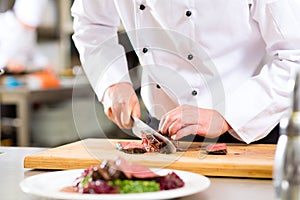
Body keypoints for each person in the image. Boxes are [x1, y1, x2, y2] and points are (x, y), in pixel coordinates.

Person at [71, 0, 300, 144]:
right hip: (163, 129)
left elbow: (294, 56)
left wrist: (226, 114)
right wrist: (112, 81)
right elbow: (92, 23)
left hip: (252, 125)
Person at [0, 0, 49, 74]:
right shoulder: (2, 23)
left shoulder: (29, 31)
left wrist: (45, 64)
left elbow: (33, 52)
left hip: (19, 76)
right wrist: (6, 62)